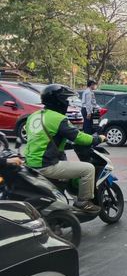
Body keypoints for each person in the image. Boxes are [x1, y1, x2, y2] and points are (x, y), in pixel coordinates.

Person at [24, 84, 105, 212]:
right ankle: (83, 202)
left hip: (29, 164)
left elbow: (43, 139)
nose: (67, 103)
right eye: (65, 100)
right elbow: (78, 137)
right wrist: (98, 139)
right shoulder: (58, 118)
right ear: (59, 101)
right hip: (46, 165)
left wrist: (63, 144)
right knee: (88, 169)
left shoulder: (33, 116)